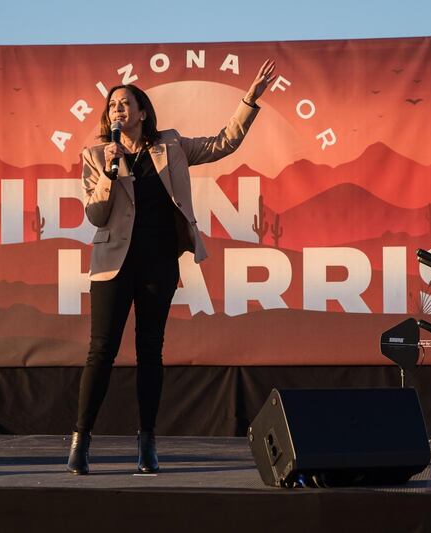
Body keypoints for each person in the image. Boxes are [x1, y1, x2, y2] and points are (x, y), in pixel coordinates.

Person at [68, 59, 277, 475]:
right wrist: (111, 169)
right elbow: (96, 214)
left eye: (125, 104)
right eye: (112, 107)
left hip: (158, 261)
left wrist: (248, 101)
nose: (118, 111)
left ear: (142, 111)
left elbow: (223, 143)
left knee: (150, 351)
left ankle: (147, 444)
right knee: (101, 351)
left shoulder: (172, 145)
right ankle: (81, 441)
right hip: (112, 263)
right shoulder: (95, 155)